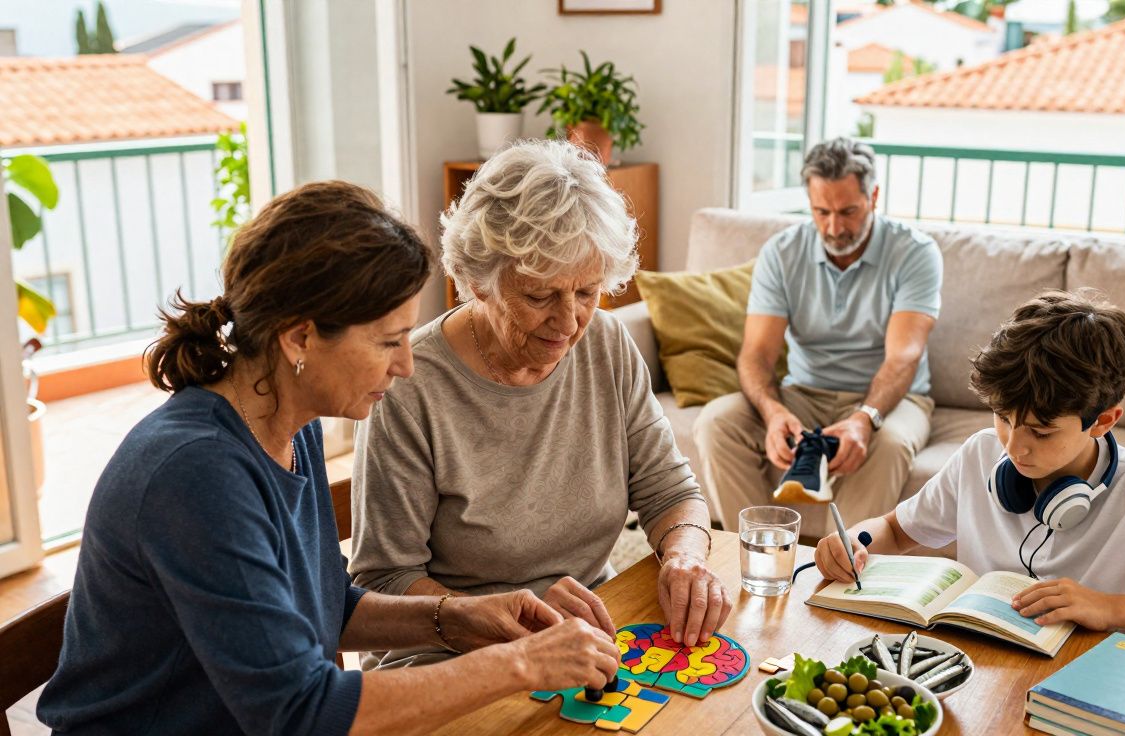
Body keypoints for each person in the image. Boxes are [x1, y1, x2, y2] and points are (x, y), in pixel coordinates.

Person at [37, 181, 620, 736]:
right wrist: (521, 664)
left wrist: (456, 618)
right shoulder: (195, 474)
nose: (406, 365)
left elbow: (327, 606)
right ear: (300, 339)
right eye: (388, 341)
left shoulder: (293, 427)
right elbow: (300, 714)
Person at [349, 139, 730, 670]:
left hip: (587, 631)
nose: (569, 322)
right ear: (478, 281)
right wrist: (511, 623)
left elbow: (670, 490)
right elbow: (384, 579)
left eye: (587, 292)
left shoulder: (607, 345)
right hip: (447, 657)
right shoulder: (409, 386)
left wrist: (685, 556)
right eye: (539, 295)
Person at [814, 291, 1125, 642]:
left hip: (1074, 681)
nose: (1015, 448)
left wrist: (1107, 608)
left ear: (1103, 421)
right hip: (972, 664)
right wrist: (856, 540)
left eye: (1041, 432)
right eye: (1003, 418)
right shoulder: (980, 454)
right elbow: (895, 530)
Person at [694, 136, 943, 534]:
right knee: (716, 422)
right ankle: (759, 548)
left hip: (893, 399)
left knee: (890, 445)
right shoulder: (781, 253)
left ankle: (841, 563)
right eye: (821, 211)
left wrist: (865, 419)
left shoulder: (915, 252)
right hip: (805, 393)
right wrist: (774, 413)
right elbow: (756, 353)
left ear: (873, 197)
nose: (834, 227)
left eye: (848, 211)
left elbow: (903, 357)